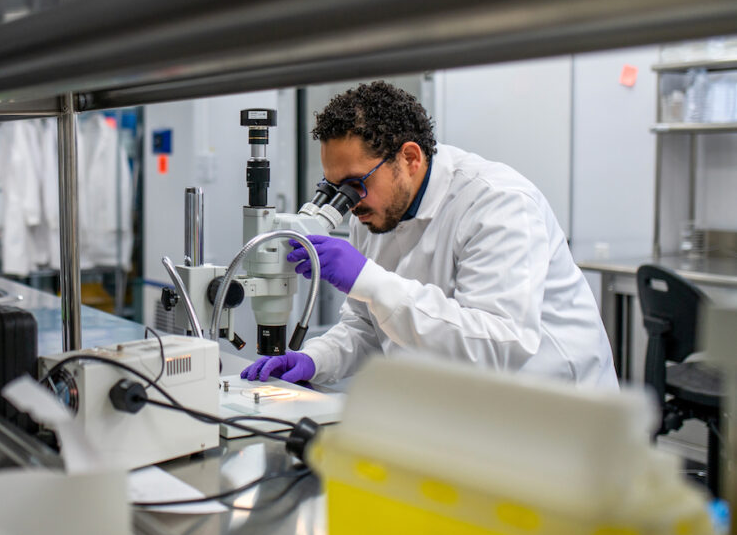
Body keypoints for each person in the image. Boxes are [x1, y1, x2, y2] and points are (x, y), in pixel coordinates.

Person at [242, 81, 617, 388]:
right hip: (464, 410)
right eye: (334, 186)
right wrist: (314, 358)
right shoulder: (372, 211)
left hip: (555, 415)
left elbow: (496, 347)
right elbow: (369, 329)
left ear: (410, 158)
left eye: (355, 184)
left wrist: (370, 282)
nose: (348, 202)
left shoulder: (498, 205)